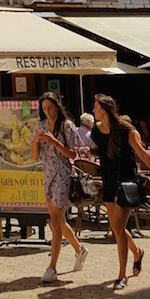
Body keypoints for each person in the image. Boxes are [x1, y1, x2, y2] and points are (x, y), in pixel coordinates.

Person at [90, 94, 150, 291]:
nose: (93, 110)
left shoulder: (126, 130)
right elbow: (100, 151)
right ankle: (137, 252)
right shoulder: (96, 131)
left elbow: (142, 154)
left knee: (118, 229)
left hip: (126, 183)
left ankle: (121, 275)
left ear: (104, 108)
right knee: (116, 228)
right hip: (109, 183)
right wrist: (88, 152)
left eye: (95, 107)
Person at [31, 93, 88, 284]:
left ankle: (52, 267)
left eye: (50, 107)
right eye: (44, 108)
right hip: (47, 175)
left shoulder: (67, 126)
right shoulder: (40, 126)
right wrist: (35, 141)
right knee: (58, 222)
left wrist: (54, 142)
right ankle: (79, 250)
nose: (47, 111)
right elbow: (34, 156)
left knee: (55, 222)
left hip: (63, 175)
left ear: (57, 107)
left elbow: (72, 153)